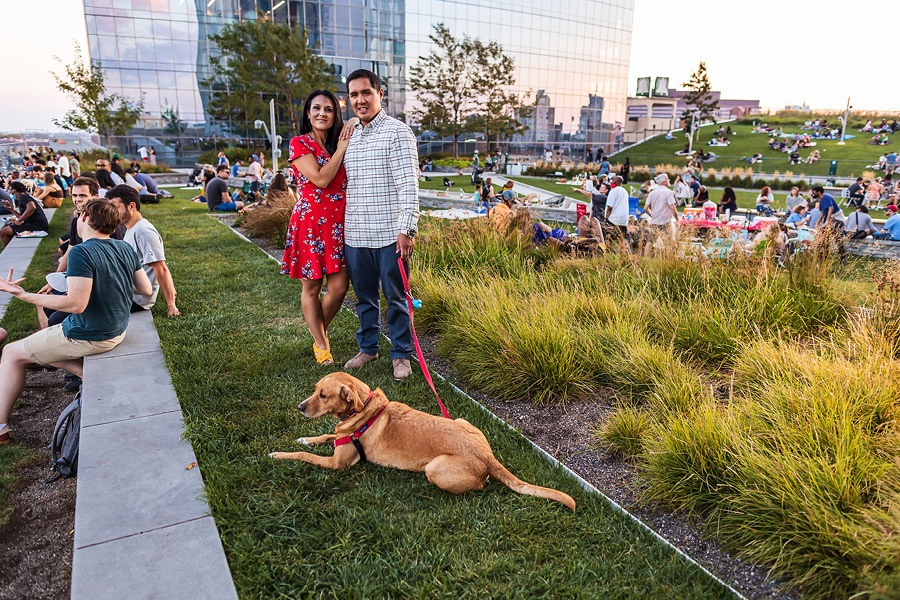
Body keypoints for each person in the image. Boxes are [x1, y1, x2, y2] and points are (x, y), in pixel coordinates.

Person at [0, 198, 152, 446]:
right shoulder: (124, 247)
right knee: (39, 347)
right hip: (116, 329)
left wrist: (23, 294)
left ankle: (1, 427)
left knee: (10, 352)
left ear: (84, 219)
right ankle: (87, 377)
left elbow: (76, 304)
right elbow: (145, 288)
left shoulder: (81, 251)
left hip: (90, 334)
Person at [341, 69, 419, 381]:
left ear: (380, 94)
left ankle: (401, 354)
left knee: (396, 298)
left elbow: (409, 186)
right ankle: (368, 348)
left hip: (390, 235)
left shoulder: (398, 133)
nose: (360, 100)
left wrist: (407, 229)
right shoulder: (350, 136)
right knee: (364, 298)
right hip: (356, 234)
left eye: (366, 93)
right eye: (354, 95)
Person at [280, 90, 352, 366]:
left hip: (338, 223)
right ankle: (322, 345)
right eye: (317, 108)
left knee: (339, 287)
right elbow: (321, 179)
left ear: (335, 115)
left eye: (329, 109)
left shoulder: (338, 143)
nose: (323, 113)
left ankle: (317, 333)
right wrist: (343, 149)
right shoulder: (299, 143)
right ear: (308, 114)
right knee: (312, 287)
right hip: (310, 222)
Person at [106, 185, 180, 317]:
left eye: (116, 207)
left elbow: (161, 268)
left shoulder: (143, 231)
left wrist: (171, 306)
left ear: (131, 206)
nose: (111, 212)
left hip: (135, 300)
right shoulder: (131, 229)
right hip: (125, 292)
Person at [1, 181, 49, 247]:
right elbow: (23, 216)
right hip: (37, 224)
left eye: (10, 190)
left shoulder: (23, 197)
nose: (9, 192)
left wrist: (19, 220)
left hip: (36, 225)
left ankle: (7, 253)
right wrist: (10, 209)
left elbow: (32, 207)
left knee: (3, 232)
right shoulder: (24, 197)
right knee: (7, 229)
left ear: (14, 190)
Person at [604, 175, 629, 247]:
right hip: (623, 220)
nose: (610, 183)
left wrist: (606, 218)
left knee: (608, 238)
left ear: (616, 182)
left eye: (612, 181)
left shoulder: (613, 191)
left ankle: (609, 252)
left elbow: (609, 206)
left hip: (614, 219)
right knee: (621, 239)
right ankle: (623, 253)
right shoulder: (625, 191)